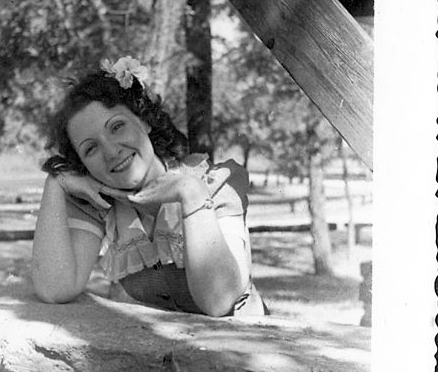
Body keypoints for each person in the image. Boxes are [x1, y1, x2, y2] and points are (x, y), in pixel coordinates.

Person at [32, 56, 266, 318]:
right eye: (90, 148)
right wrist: (54, 183)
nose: (111, 151)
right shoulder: (103, 206)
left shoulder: (213, 183)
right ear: (84, 164)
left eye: (117, 126)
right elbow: (55, 289)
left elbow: (219, 302)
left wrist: (190, 193)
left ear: (143, 120)